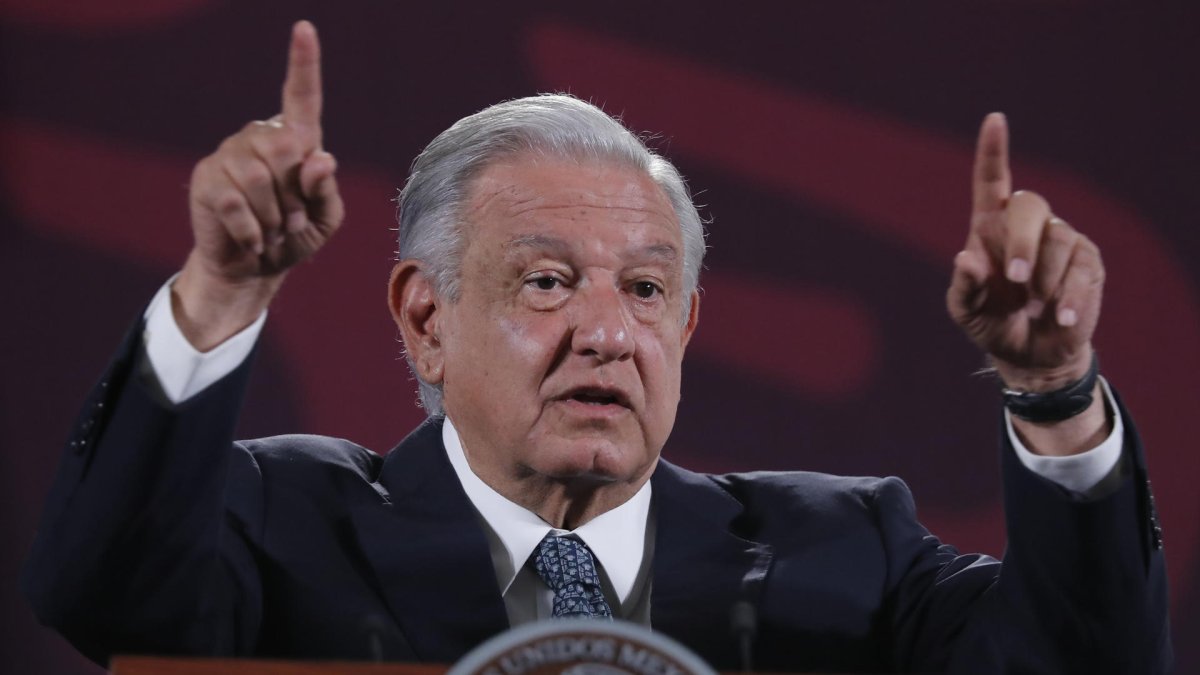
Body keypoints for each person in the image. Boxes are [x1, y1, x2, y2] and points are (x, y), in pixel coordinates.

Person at [23, 21, 1169, 674]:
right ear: (426, 320)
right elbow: (102, 595)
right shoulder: (282, 522)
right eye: (547, 282)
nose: (609, 333)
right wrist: (220, 293)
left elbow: (1087, 665)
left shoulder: (849, 550)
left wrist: (1053, 389)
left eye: (647, 290)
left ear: (686, 325)